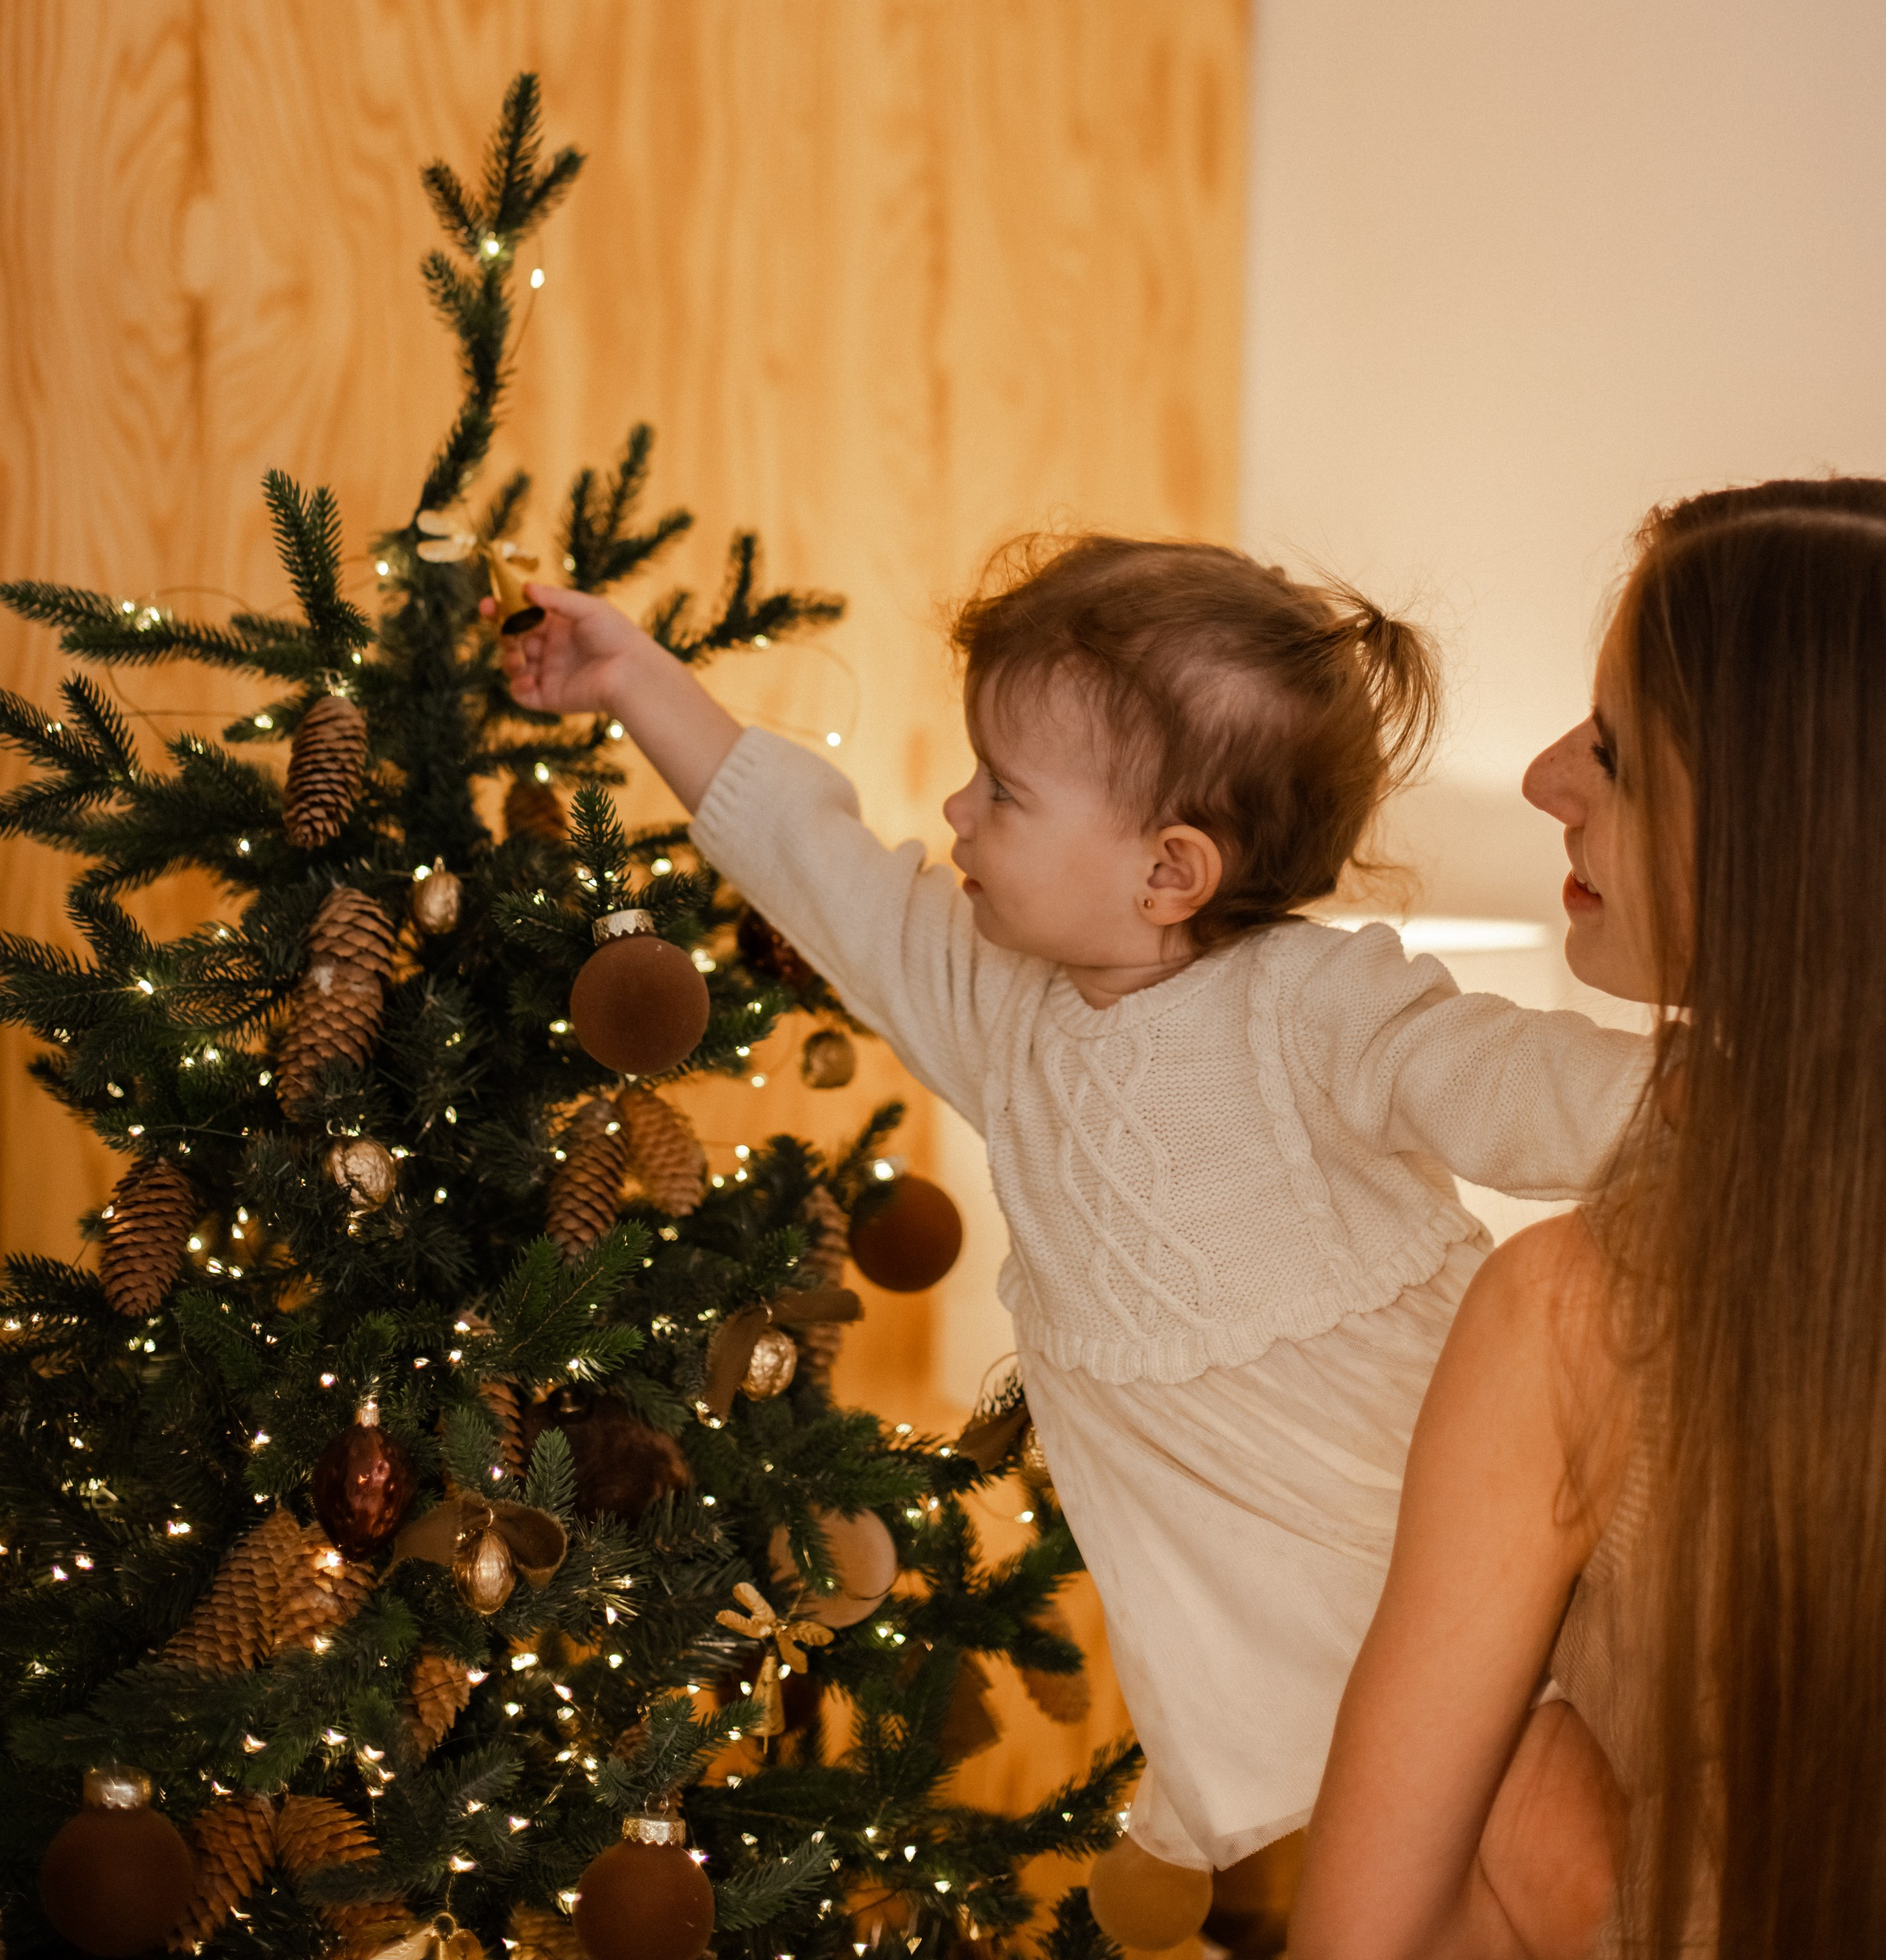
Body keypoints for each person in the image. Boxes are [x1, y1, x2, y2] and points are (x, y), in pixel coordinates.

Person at [497, 534, 1650, 1884]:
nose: (956, 808)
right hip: (1264, 1674)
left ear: (1169, 870)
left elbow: (1521, 1086)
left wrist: (1750, 1095)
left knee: (1579, 1871)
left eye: (1005, 788)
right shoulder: (1002, 1011)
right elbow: (817, 862)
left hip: (1481, 1616)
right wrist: (634, 676)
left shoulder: (1316, 1006)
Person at [1291, 476, 1886, 1960]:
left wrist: (1574, 1855)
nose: (1547, 775)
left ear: (1786, 824)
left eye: (1610, 749)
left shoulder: (1578, 1314)